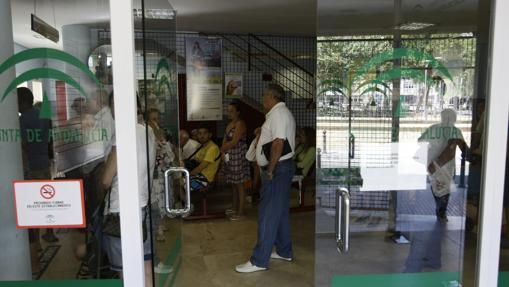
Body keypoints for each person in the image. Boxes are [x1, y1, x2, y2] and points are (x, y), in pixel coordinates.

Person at [235, 83, 296, 273]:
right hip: (282, 168)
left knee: (267, 214)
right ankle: (285, 251)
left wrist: (270, 169)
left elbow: (278, 143)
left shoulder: (278, 114)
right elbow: (274, 139)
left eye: (264, 96)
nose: (263, 100)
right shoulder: (279, 114)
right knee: (279, 213)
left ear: (272, 97)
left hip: (277, 169)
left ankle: (259, 260)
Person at [99, 93, 156, 285]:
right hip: (143, 206)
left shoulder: (122, 133)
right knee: (145, 266)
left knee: (126, 272)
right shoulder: (148, 130)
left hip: (120, 210)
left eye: (118, 103)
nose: (115, 109)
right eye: (113, 104)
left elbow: (106, 179)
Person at [17, 87, 57, 275]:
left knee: (31, 207)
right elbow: (49, 138)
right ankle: (50, 231)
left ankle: (36, 246)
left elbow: (22, 145)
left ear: (22, 101)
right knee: (46, 200)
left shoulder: (22, 119)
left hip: (30, 166)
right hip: (44, 162)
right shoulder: (43, 115)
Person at [418, 109, 466, 222]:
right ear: (454, 118)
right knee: (445, 189)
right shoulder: (456, 131)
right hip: (448, 165)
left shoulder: (433, 128)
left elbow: (420, 141)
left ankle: (440, 208)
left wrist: (432, 145)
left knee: (436, 185)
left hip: (433, 164)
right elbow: (464, 148)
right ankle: (441, 210)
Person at [221, 101, 250, 220]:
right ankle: (234, 207)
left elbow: (234, 141)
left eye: (232, 111)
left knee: (240, 184)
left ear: (238, 112)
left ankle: (241, 211)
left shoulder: (240, 124)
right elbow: (225, 139)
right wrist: (223, 151)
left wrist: (222, 149)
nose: (229, 113)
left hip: (238, 155)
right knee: (233, 183)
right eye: (228, 111)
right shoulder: (229, 124)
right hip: (230, 156)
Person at [188, 127, 221, 192]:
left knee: (179, 184)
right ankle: (186, 201)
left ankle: (187, 202)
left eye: (204, 133)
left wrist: (187, 174)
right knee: (177, 182)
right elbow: (196, 161)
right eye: (199, 134)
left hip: (204, 179)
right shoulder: (202, 146)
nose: (202, 136)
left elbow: (200, 167)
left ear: (210, 135)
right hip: (197, 175)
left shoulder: (212, 148)